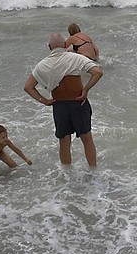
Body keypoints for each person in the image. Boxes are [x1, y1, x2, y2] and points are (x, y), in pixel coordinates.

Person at [24, 33, 103, 167]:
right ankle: (93, 170)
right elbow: (98, 72)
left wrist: (45, 100)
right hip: (79, 102)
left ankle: (67, 175)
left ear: (49, 47)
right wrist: (86, 90)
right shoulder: (76, 58)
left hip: (59, 106)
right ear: (65, 45)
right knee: (87, 139)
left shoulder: (42, 65)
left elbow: (28, 87)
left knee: (64, 141)